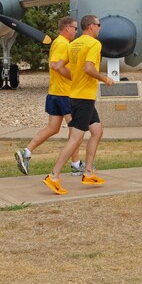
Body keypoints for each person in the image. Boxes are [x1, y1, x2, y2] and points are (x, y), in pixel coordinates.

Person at [43, 15, 113, 194]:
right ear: (90, 26)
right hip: (83, 98)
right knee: (76, 138)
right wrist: (104, 78)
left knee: (97, 131)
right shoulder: (94, 44)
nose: (100, 28)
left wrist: (75, 78)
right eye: (98, 25)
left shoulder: (73, 44)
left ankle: (88, 172)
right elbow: (89, 68)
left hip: (75, 95)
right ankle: (53, 176)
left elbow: (58, 66)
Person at [14, 16, 83, 176]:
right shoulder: (62, 44)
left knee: (53, 128)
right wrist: (74, 77)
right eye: (75, 28)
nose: (76, 31)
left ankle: (26, 152)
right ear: (67, 28)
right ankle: (76, 164)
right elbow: (55, 65)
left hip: (55, 92)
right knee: (76, 130)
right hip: (64, 93)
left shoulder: (59, 43)